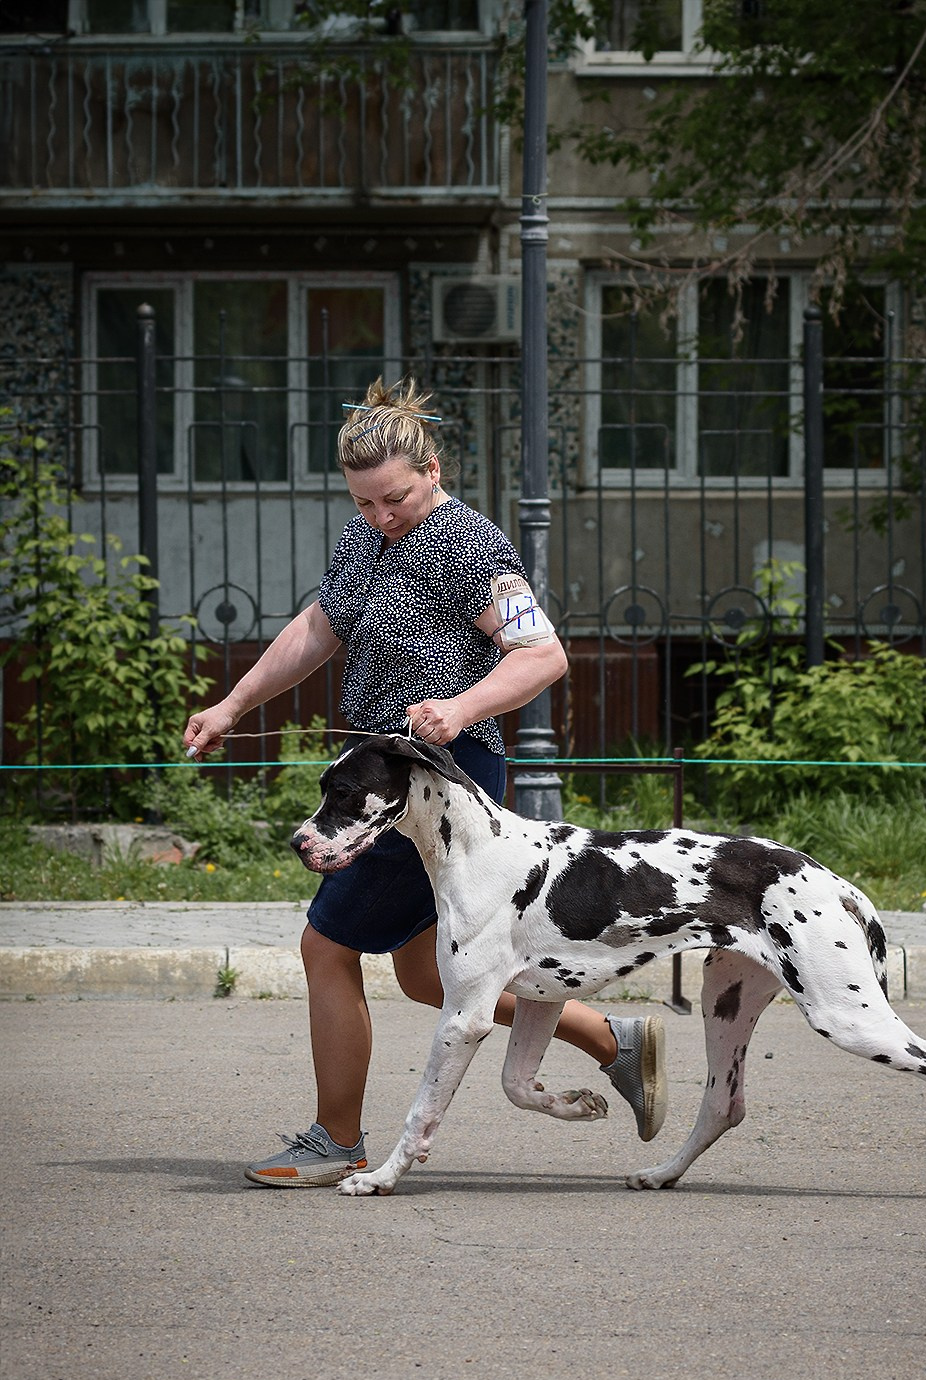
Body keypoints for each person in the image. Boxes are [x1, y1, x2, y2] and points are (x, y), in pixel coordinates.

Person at [183, 377, 667, 1187]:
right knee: (423, 974)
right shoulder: (360, 539)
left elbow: (542, 655)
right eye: (365, 502)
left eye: (395, 499)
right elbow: (318, 627)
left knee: (326, 945)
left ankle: (337, 1140)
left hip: (437, 785)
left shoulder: (470, 546)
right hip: (383, 778)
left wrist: (459, 706)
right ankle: (611, 1039)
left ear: (433, 471)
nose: (381, 516)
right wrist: (233, 703)